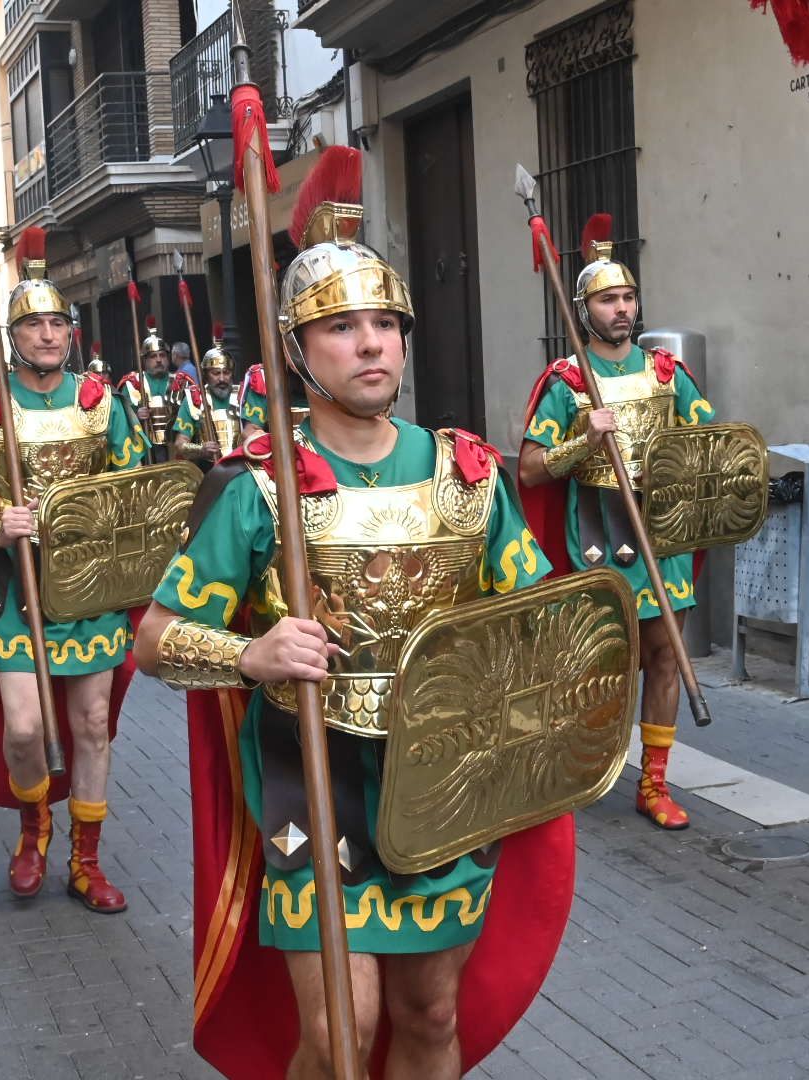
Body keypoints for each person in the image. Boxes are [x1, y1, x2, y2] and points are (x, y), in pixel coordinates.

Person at [133, 147, 580, 1079]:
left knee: (430, 1017)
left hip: (441, 779)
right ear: (298, 351)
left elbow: (541, 617)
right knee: (341, 1033)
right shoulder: (262, 490)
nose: (371, 343)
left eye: (385, 323)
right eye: (340, 327)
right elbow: (155, 640)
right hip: (315, 778)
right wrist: (250, 654)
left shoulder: (467, 473)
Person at [0, 227, 147, 914]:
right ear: (12, 337)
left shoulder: (101, 404)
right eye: (33, 324)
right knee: (23, 728)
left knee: (90, 726)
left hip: (89, 590)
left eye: (57, 322)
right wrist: (0, 525)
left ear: (70, 332)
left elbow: (134, 496)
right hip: (13, 588)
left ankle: (86, 860)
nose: (47, 335)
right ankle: (33, 834)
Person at [518, 214, 716, 831]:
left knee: (664, 658)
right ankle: (583, 767)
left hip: (662, 535)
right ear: (585, 309)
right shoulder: (567, 381)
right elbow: (528, 470)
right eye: (608, 299)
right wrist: (582, 441)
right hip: (598, 538)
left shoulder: (666, 375)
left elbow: (709, 443)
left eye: (628, 296)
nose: (622, 308)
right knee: (598, 665)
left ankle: (654, 783)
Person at [169, 325, 242, 465]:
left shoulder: (242, 396)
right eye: (215, 373)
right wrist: (201, 449)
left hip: (242, 466)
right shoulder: (194, 399)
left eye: (226, 372)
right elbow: (180, 444)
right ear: (206, 375)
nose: (222, 379)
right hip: (208, 468)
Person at [116, 319, 175, 462]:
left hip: (174, 446)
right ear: (145, 360)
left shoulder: (180, 381)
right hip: (145, 448)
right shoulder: (132, 384)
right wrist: (136, 415)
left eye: (162, 355)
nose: (159, 360)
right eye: (154, 356)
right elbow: (121, 418)